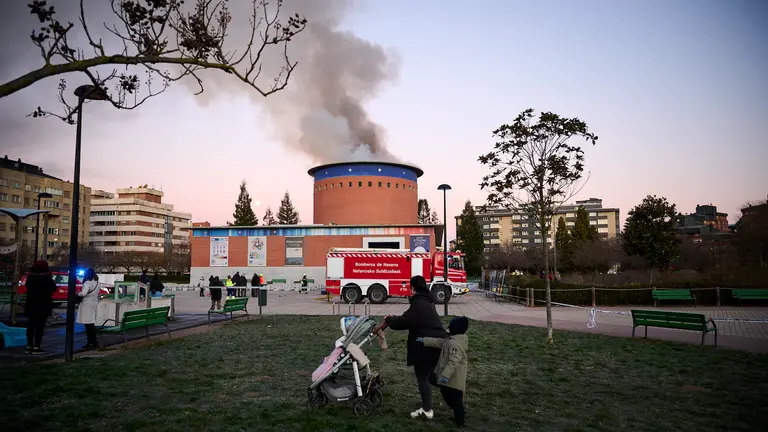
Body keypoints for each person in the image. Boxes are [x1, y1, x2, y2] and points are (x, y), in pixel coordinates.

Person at [385, 275, 447, 420]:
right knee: (431, 376)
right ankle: (452, 389)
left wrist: (389, 320)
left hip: (425, 346)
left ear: (412, 288)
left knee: (422, 377)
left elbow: (406, 321)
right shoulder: (427, 301)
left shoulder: (419, 303)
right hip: (437, 343)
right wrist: (394, 318)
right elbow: (410, 318)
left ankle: (427, 410)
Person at [419, 316, 469, 429]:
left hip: (454, 381)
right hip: (448, 380)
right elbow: (439, 342)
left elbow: (453, 362)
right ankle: (458, 414)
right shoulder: (451, 340)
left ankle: (461, 422)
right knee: (448, 396)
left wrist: (445, 376)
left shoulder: (455, 344)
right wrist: (424, 340)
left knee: (455, 401)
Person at [23, 260, 57, 354]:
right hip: (43, 304)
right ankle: (37, 346)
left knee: (30, 325)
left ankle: (29, 345)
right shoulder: (46, 277)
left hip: (31, 303)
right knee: (40, 326)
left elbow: (27, 286)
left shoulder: (30, 276)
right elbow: (53, 288)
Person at [76, 268, 102, 349]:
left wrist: (78, 293)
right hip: (94, 302)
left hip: (87, 304)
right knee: (91, 323)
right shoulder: (97, 282)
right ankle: (93, 341)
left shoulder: (87, 282)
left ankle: (90, 342)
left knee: (87, 323)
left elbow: (83, 293)